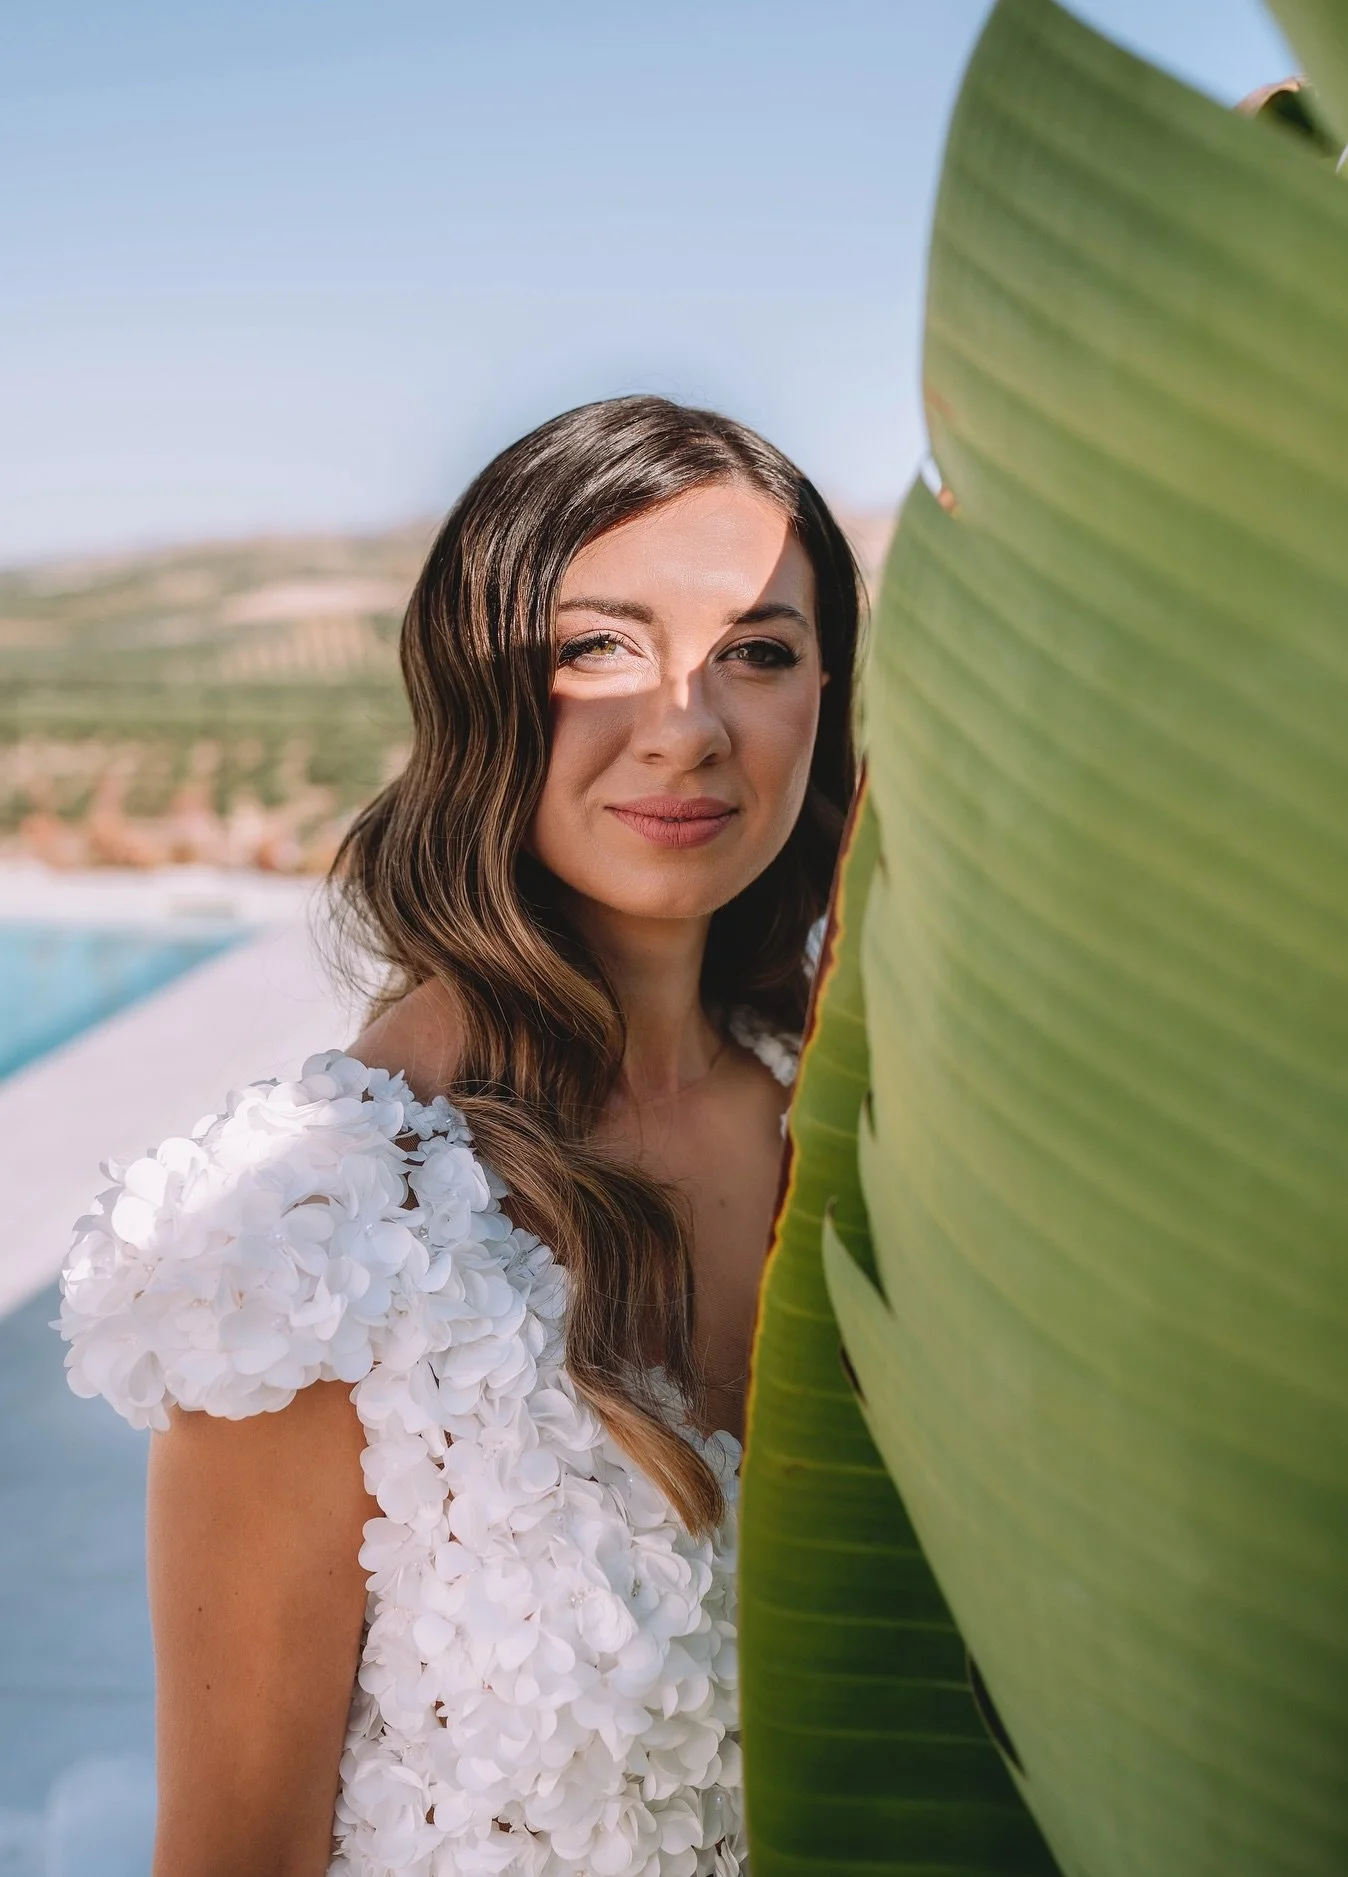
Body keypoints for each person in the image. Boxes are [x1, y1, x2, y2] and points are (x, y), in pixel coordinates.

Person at [58, 395, 862, 1877]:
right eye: (597, 646)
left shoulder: (855, 1137)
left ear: (826, 691)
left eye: (757, 652)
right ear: (477, 685)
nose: (685, 728)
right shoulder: (302, 1240)